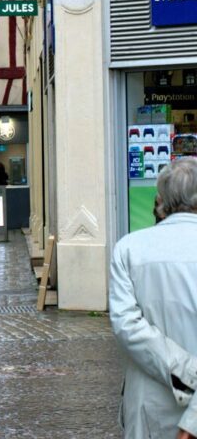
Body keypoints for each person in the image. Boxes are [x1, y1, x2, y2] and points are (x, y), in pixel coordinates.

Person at [110, 158, 197, 439]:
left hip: (149, 403)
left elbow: (128, 327)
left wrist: (186, 371)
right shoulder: (129, 250)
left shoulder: (129, 249)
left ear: (161, 199)